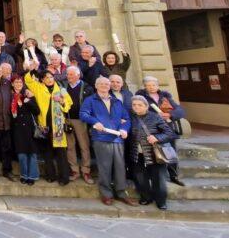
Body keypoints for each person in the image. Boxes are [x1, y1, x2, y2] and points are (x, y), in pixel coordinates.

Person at [79, 77, 136, 206]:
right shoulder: (90, 100)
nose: (104, 86)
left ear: (110, 86)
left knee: (120, 167)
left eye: (106, 84)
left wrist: (124, 129)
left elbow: (126, 119)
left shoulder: (116, 101)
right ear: (96, 85)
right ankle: (106, 194)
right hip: (101, 138)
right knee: (105, 167)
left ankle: (121, 193)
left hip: (117, 139)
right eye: (101, 84)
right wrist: (95, 122)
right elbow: (83, 114)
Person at [136, 76, 187, 186]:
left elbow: (180, 111)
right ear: (145, 87)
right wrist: (156, 115)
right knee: (151, 153)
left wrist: (169, 114)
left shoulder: (165, 96)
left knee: (170, 152)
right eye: (148, 85)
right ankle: (153, 176)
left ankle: (174, 176)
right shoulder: (141, 97)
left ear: (157, 86)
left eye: (153, 85)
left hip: (167, 128)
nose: (151, 87)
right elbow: (139, 110)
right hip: (152, 130)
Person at [24, 69, 73, 186]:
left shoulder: (61, 90)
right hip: (43, 125)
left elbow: (68, 104)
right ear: (42, 79)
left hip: (58, 125)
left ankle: (64, 177)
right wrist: (33, 69)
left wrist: (61, 101)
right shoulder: (39, 88)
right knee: (47, 151)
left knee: (61, 152)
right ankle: (50, 175)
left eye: (51, 77)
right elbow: (28, 80)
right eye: (47, 77)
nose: (49, 79)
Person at [129, 95, 178, 210]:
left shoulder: (155, 117)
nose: (136, 107)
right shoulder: (130, 117)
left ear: (146, 106)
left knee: (158, 178)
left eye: (140, 105)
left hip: (154, 153)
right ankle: (146, 197)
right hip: (137, 154)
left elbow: (170, 133)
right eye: (134, 105)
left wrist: (157, 138)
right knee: (140, 178)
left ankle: (161, 201)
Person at [63, 65, 94, 184]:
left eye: (71, 74)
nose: (68, 76)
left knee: (84, 146)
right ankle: (74, 170)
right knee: (70, 146)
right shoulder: (63, 86)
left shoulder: (86, 87)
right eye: (67, 74)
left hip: (81, 120)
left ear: (77, 75)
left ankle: (86, 170)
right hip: (67, 119)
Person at [10, 75, 39, 185]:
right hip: (17, 129)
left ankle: (32, 176)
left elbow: (37, 111)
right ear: (12, 84)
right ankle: (24, 175)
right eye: (16, 82)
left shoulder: (28, 95)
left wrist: (28, 102)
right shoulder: (11, 96)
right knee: (21, 154)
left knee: (31, 153)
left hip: (29, 128)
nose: (18, 84)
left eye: (20, 82)